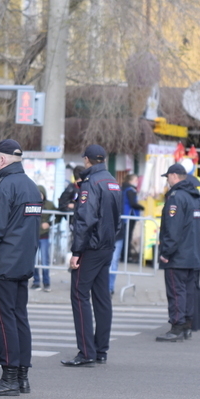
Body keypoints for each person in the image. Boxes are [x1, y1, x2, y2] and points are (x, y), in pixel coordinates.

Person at [0, 139, 42, 396]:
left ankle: (9, 377)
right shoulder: (32, 187)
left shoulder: (3, 188)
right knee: (19, 319)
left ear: (2, 159)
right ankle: (22, 376)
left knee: (2, 321)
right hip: (23, 263)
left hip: (2, 265)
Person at [61, 145, 122, 366]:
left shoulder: (90, 184)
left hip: (91, 246)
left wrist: (77, 251)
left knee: (79, 295)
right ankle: (101, 349)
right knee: (102, 298)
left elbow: (85, 220)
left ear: (87, 160)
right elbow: (118, 218)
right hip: (106, 246)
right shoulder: (113, 182)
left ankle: (86, 351)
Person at [156, 163, 200, 341]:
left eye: (167, 176)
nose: (167, 180)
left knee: (176, 292)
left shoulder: (176, 197)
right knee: (188, 291)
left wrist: (166, 252)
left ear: (174, 176)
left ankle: (177, 326)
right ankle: (186, 326)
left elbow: (173, 229)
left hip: (178, 255)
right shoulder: (193, 196)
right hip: (192, 253)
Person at [111, 173, 144, 293]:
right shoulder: (130, 190)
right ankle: (126, 256)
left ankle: (110, 287)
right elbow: (133, 203)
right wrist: (142, 207)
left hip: (122, 219)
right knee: (126, 237)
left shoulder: (123, 189)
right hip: (128, 216)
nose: (137, 181)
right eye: (136, 179)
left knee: (114, 257)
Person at [32, 185, 56, 292]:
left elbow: (59, 215)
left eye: (40, 194)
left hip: (44, 237)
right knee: (34, 260)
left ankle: (46, 282)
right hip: (33, 236)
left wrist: (49, 223)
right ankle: (36, 281)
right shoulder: (31, 204)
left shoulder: (49, 205)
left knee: (45, 260)